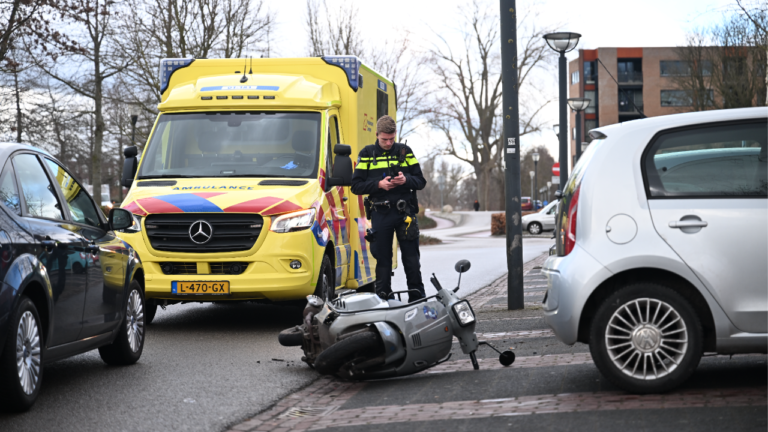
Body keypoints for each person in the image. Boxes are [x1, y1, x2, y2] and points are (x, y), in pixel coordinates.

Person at [351, 115, 427, 302]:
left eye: (392, 139)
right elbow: (356, 186)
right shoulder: (367, 154)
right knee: (383, 260)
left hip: (405, 213)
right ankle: (383, 300)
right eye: (384, 139)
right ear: (376, 134)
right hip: (381, 213)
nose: (388, 142)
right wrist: (379, 185)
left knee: (411, 260)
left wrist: (406, 180)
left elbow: (421, 181)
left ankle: (417, 299)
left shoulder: (405, 151)